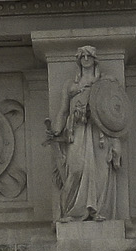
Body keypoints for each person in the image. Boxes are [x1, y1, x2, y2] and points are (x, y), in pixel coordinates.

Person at [46, 45, 123, 223]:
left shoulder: (104, 81)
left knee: (100, 171)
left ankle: (97, 209)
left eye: (89, 56)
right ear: (78, 60)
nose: (86, 59)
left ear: (94, 59)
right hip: (77, 132)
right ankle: (71, 211)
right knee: (75, 168)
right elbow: (63, 111)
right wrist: (56, 130)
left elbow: (116, 111)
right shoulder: (71, 86)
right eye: (82, 56)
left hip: (99, 134)